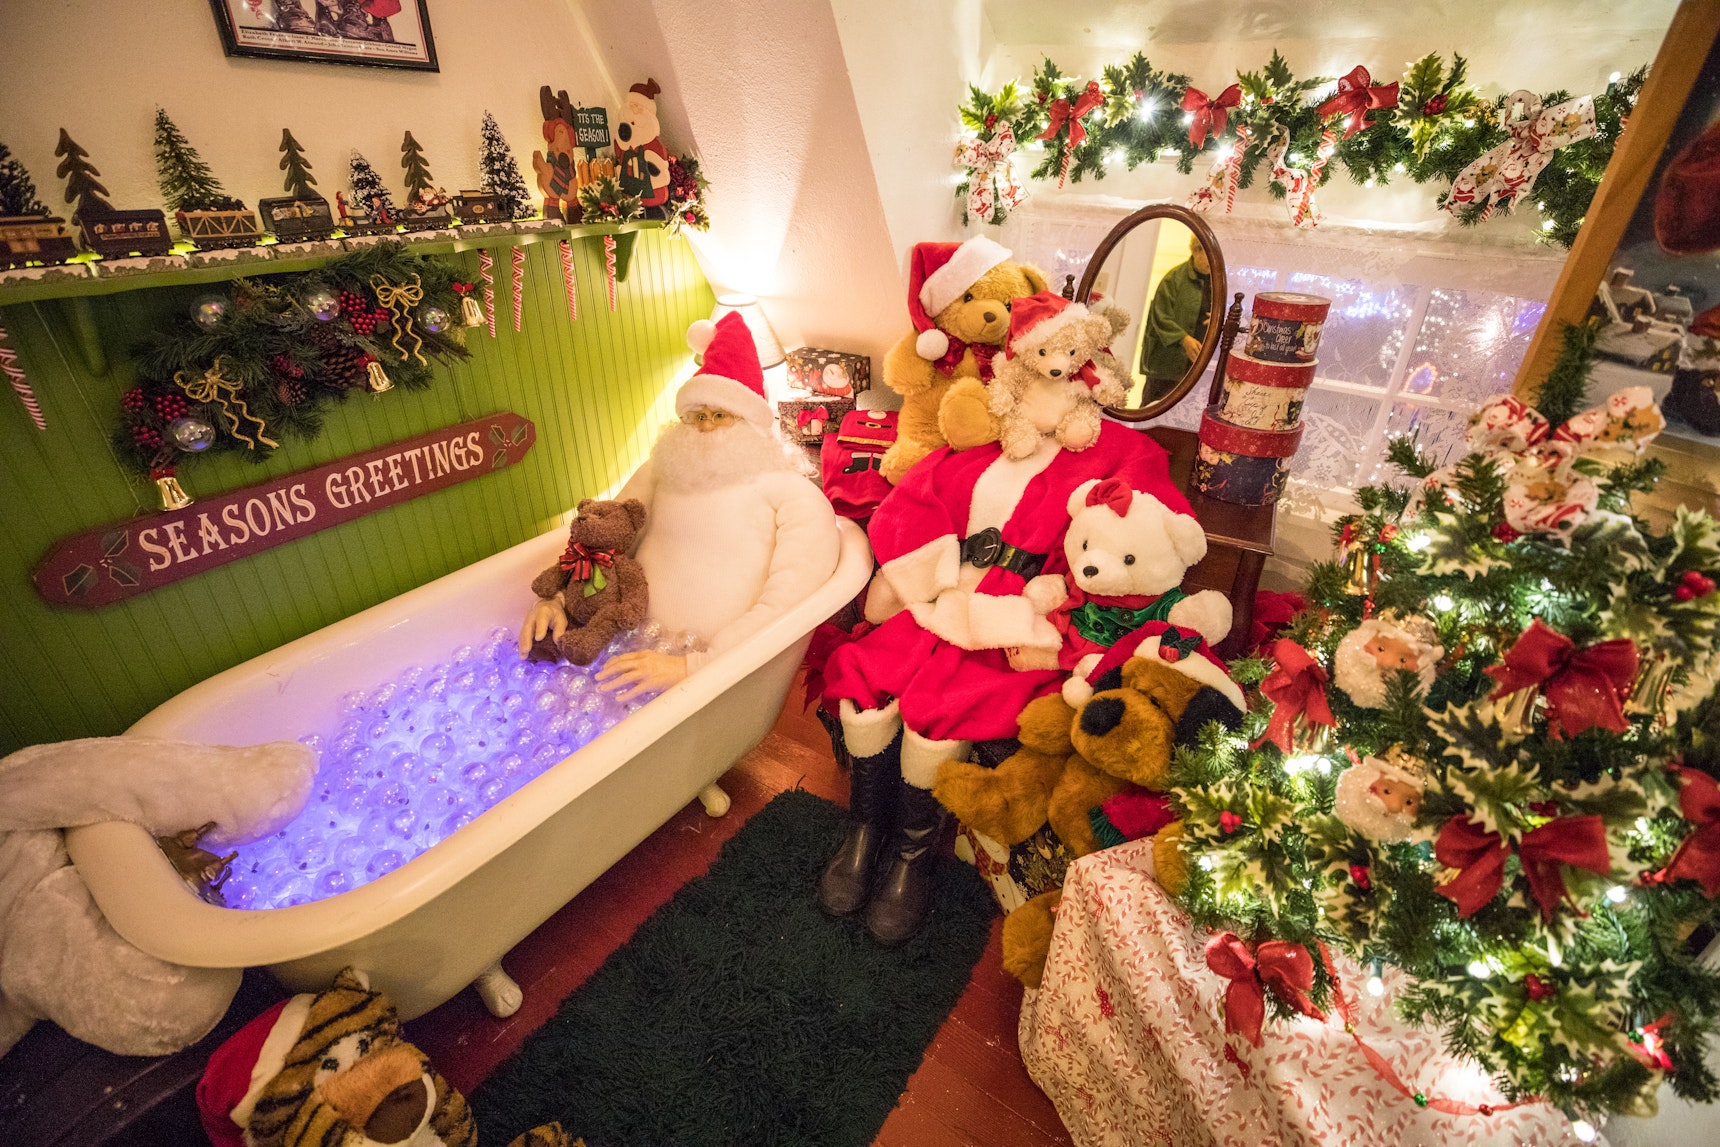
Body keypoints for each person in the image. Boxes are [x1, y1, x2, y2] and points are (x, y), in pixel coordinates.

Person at [817, 404, 1190, 945]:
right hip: (940, 596)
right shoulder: (980, 438)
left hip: (1017, 618)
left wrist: (1057, 626)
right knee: (863, 673)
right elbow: (912, 500)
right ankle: (866, 830)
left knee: (950, 704)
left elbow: (1137, 538)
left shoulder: (1122, 454)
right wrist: (925, 574)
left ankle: (911, 855)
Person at [517, 313, 841, 805]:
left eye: (721, 415)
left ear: (751, 421)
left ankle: (686, 769)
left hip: (708, 671)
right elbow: (604, 537)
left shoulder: (792, 497)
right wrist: (560, 599)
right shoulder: (660, 473)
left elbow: (789, 606)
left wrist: (694, 669)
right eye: (697, 416)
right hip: (617, 640)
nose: (706, 428)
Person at [1139, 234, 1212, 398]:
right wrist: (1184, 339)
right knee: (1153, 405)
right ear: (1195, 250)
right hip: (1165, 364)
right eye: (1208, 256)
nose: (1211, 263)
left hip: (1195, 365)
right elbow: (1160, 316)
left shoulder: (1217, 282)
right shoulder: (1173, 279)